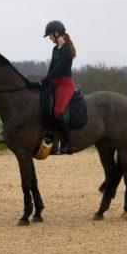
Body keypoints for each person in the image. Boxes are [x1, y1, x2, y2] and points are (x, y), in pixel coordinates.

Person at [38, 20, 77, 155]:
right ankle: (49, 132)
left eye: (49, 36)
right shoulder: (55, 49)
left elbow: (58, 71)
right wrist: (42, 83)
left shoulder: (67, 49)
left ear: (56, 33)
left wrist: (45, 81)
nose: (49, 38)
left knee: (58, 112)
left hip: (65, 84)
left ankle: (69, 143)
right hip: (55, 82)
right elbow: (51, 70)